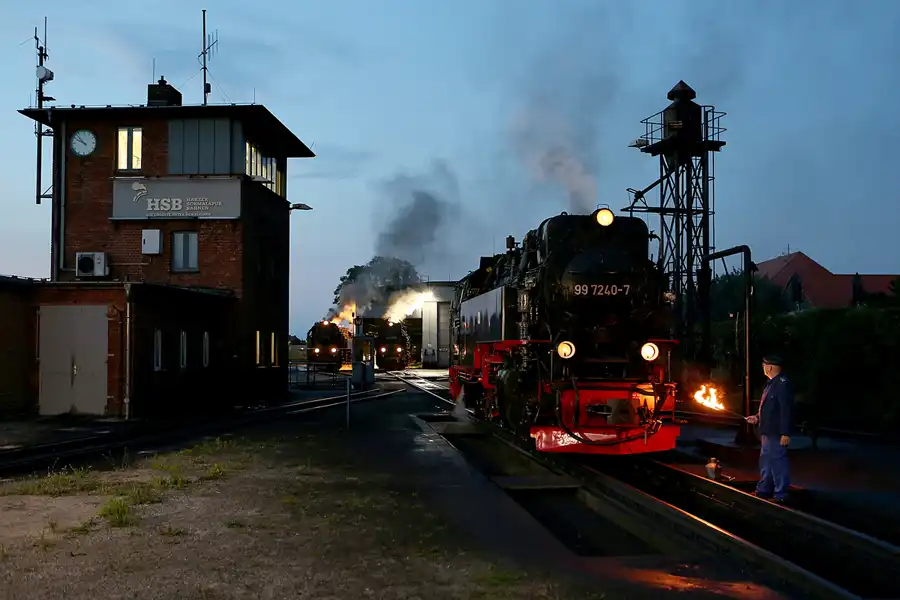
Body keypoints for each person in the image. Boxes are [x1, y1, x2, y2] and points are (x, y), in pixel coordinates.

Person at [745, 355, 794, 503]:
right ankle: (764, 490)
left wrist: (785, 433)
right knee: (766, 461)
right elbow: (768, 409)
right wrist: (757, 417)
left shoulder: (782, 385)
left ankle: (781, 495)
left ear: (770, 367)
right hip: (767, 431)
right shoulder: (770, 384)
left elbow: (786, 410)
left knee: (778, 462)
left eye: (764, 365)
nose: (763, 368)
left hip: (776, 432)